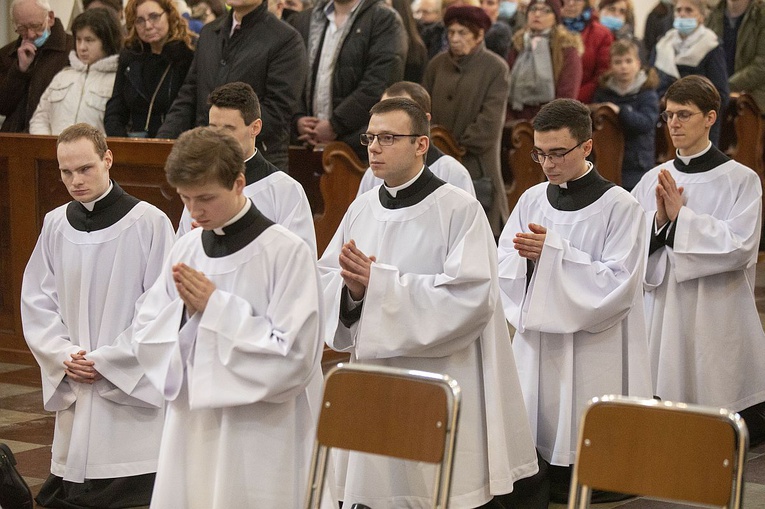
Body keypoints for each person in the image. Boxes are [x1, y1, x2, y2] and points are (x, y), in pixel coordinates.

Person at [318, 97, 541, 508]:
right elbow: (330, 278)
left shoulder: (459, 209)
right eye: (371, 137)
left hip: (438, 376)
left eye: (388, 138)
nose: (374, 147)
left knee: (431, 489)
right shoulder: (362, 207)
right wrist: (354, 293)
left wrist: (380, 285)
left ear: (421, 144)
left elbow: (471, 297)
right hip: (377, 375)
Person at [132, 127, 326, 508]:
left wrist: (217, 308)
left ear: (239, 183)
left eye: (205, 198)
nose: (194, 211)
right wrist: (185, 319)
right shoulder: (186, 247)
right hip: (195, 425)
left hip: (260, 431)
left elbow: (297, 356)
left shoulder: (285, 252)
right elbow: (147, 331)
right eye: (186, 198)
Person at [498, 98, 653, 503]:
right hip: (540, 338)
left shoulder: (620, 205)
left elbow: (619, 281)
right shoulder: (532, 199)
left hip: (594, 342)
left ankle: (596, 476)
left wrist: (552, 255)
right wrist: (533, 263)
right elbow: (505, 263)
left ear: (586, 147)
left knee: (585, 418)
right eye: (540, 153)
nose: (547, 164)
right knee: (541, 419)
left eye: (557, 153)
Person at [20, 123, 174, 508]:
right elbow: (38, 300)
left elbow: (161, 307)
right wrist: (63, 355)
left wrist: (107, 361)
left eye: (85, 168)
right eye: (66, 172)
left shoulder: (148, 222)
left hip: (126, 390)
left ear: (108, 159)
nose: (75, 180)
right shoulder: (55, 224)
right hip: (75, 373)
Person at [631, 75, 765, 446]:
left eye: (684, 115)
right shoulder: (650, 180)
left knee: (713, 396)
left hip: (715, 306)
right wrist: (659, 222)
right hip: (663, 302)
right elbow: (629, 242)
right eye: (669, 115)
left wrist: (681, 221)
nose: (673, 123)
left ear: (710, 118)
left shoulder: (741, 180)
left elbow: (740, 245)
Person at [157, 0, 307, 171]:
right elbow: (190, 93)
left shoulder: (285, 39)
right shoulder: (209, 32)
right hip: (206, 159)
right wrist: (161, 141)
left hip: (257, 164)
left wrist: (221, 136)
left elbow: (279, 108)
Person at [177, 82, 317, 257]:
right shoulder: (199, 187)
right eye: (213, 128)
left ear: (255, 127)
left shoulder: (284, 189)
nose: (219, 138)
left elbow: (301, 261)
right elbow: (179, 253)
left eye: (229, 128)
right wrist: (198, 241)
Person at [423, 5, 510, 236]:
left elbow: (490, 121)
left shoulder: (495, 68)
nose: (454, 38)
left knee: (477, 229)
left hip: (476, 162)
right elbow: (424, 107)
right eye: (451, 33)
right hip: (435, 159)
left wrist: (457, 147)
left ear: (479, 35)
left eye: (462, 33)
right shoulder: (437, 65)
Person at [291, 0, 407, 161]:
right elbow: (292, 76)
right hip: (305, 145)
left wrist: (335, 125)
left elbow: (379, 83)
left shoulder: (384, 19)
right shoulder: (306, 18)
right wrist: (297, 118)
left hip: (358, 148)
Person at [356, 81, 475, 197]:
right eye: (384, 108)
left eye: (387, 138)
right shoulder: (372, 175)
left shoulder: (452, 172)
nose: (373, 148)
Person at [104, 0, 194, 138]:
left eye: (154, 17)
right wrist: (121, 139)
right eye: (139, 20)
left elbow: (188, 108)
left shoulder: (188, 54)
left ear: (169, 15)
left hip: (175, 141)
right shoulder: (131, 55)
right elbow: (115, 107)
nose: (147, 26)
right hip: (134, 142)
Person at [30, 8, 122, 135]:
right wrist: (49, 149)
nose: (82, 47)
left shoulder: (118, 80)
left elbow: (119, 127)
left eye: (89, 40)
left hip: (97, 153)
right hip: (56, 152)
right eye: (78, 39)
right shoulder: (62, 77)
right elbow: (40, 119)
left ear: (106, 42)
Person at [651, 0, 728, 146]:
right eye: (678, 10)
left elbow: (721, 94)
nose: (682, 14)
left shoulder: (711, 46)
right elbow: (652, 82)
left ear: (701, 16)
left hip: (700, 124)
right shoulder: (663, 44)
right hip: (666, 120)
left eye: (688, 10)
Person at [593, 38, 659, 190]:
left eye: (628, 61)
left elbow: (646, 123)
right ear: (611, 66)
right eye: (618, 62)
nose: (623, 67)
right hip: (606, 160)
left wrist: (620, 112)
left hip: (637, 163)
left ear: (638, 63)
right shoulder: (604, 92)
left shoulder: (647, 93)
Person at [0, 0, 73, 132]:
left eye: (35, 26)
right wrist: (19, 70)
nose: (31, 34)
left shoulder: (72, 50)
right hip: (13, 140)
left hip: (54, 137)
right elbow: (3, 106)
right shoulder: (6, 54)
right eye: (22, 29)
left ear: (50, 18)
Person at [506, 0, 583, 120]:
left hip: (551, 123)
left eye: (545, 11)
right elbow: (505, 88)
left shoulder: (566, 49)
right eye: (533, 9)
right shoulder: (518, 44)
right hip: (514, 122)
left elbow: (567, 96)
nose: (537, 14)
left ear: (555, 17)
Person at [706, 0, 765, 113]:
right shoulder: (713, 14)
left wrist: (725, 86)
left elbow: (761, 65)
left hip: (754, 101)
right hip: (716, 97)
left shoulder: (761, 15)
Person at [560, 0, 613, 104]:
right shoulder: (543, 30)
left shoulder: (602, 34)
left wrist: (571, 99)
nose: (571, 3)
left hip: (582, 103)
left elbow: (602, 76)